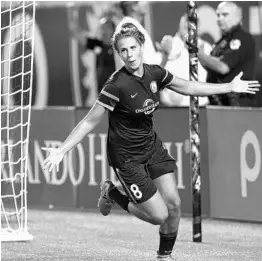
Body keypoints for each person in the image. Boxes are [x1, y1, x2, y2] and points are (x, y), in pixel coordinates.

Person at [42, 22, 259, 260]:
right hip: (126, 158)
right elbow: (88, 122)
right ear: (119, 53)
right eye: (123, 50)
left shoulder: (155, 73)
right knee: (159, 216)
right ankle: (113, 193)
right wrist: (62, 150)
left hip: (151, 147)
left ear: (141, 46)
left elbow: (187, 86)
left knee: (175, 205)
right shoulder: (116, 85)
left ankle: (164, 256)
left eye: (133, 48)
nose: (129, 54)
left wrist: (229, 86)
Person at [198, 1, 256, 106]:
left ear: (237, 17)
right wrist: (202, 56)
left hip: (237, 103)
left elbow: (223, 67)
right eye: (218, 15)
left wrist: (198, 53)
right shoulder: (222, 42)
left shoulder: (242, 38)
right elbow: (211, 67)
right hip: (219, 101)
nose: (219, 18)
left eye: (224, 15)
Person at [68, 6, 116, 106]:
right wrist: (71, 10)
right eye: (102, 28)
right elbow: (75, 31)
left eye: (106, 28)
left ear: (113, 30)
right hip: (102, 98)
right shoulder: (97, 45)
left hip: (119, 97)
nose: (103, 31)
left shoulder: (120, 47)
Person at [160, 14, 212, 107]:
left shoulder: (206, 47)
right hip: (173, 108)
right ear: (179, 25)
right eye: (185, 22)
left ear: (198, 27)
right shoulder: (169, 44)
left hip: (201, 106)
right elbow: (157, 73)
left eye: (192, 23)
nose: (188, 25)